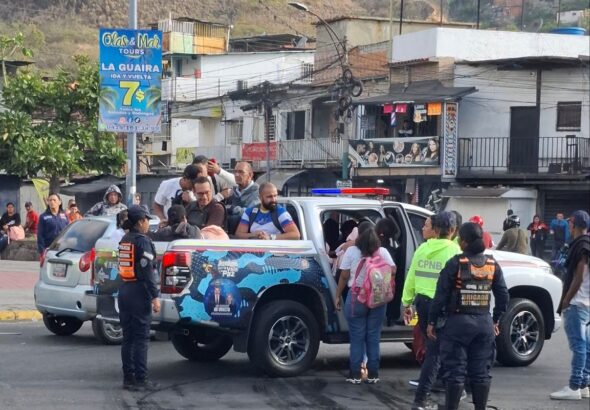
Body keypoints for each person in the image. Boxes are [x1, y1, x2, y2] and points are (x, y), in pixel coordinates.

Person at [427, 222, 509, 410]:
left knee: (455, 371)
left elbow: (440, 296)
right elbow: (503, 295)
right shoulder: (492, 264)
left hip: (457, 324)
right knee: (481, 372)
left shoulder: (456, 263)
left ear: (463, 242)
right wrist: (496, 319)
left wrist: (432, 321)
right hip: (483, 324)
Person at [401, 212, 461, 410]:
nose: (422, 228)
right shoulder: (454, 250)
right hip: (443, 306)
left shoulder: (422, 249)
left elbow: (411, 277)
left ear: (436, 230)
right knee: (441, 352)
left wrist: (406, 302)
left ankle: (441, 390)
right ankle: (423, 398)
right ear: (451, 230)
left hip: (422, 304)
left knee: (433, 350)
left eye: (426, 225)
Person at [335, 223, 396, 384]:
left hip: (357, 298)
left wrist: (337, 295)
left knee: (357, 337)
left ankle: (355, 374)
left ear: (358, 235)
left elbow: (344, 276)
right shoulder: (382, 252)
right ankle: (373, 374)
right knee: (373, 336)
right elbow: (393, 270)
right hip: (378, 298)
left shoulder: (352, 251)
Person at [117, 206, 161, 391]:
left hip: (125, 290)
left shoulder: (124, 239)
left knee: (128, 338)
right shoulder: (143, 242)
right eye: (147, 220)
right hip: (138, 292)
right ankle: (141, 380)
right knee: (141, 338)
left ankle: (128, 378)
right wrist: (155, 296)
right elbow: (148, 271)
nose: (148, 224)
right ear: (141, 221)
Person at [550, 210, 590, 401]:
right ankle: (583, 385)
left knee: (579, 345)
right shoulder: (586, 244)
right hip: (586, 302)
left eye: (570, 223)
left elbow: (579, 275)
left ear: (573, 224)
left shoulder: (581, 246)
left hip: (577, 303)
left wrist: (566, 300)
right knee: (586, 344)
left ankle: (574, 386)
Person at [234, 182, 301, 240]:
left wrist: (270, 237)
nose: (274, 199)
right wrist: (254, 235)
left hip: (275, 253)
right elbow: (239, 234)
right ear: (260, 197)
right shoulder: (249, 212)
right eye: (269, 197)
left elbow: (295, 235)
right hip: (254, 252)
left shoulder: (281, 212)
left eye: (275, 196)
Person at [225, 161, 260, 234]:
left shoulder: (258, 192)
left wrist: (232, 209)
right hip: (230, 235)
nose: (237, 175)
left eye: (241, 172)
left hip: (249, 235)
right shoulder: (232, 192)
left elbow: (251, 212)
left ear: (250, 175)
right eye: (235, 172)